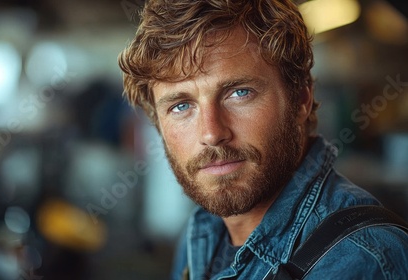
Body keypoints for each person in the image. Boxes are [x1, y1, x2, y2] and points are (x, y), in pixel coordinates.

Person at [118, 0, 408, 279]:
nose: (211, 133)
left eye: (239, 93)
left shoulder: (361, 261)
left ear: (301, 99)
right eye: (181, 106)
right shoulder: (201, 236)